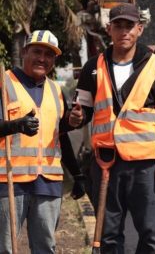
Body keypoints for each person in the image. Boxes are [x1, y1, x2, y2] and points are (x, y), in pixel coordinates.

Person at [75, 3, 155, 253]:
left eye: (129, 26)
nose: (124, 31)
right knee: (109, 236)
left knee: (151, 235)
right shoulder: (93, 67)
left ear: (140, 29)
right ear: (108, 29)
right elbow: (83, 112)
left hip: (146, 166)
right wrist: (76, 118)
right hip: (106, 164)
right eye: (118, 25)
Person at [0, 30, 85, 254]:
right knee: (6, 248)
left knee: (46, 247)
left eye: (49, 55)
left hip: (47, 183)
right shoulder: (3, 83)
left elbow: (60, 135)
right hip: (8, 181)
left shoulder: (56, 90)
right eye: (37, 51)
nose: (42, 58)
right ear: (24, 51)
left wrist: (77, 175)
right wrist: (15, 125)